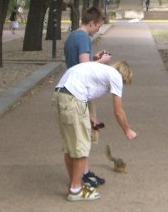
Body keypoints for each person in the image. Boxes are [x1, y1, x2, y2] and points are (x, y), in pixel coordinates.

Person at [52, 61, 137, 201]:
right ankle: (75, 191)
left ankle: (75, 184)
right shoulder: (116, 76)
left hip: (60, 95)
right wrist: (127, 130)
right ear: (124, 76)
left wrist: (89, 116)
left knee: (70, 147)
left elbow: (82, 91)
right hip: (73, 99)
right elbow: (118, 112)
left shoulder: (99, 69)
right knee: (82, 148)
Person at [63, 7, 111, 188]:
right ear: (91, 23)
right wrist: (101, 62)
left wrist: (95, 58)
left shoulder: (73, 35)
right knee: (85, 133)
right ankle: (83, 175)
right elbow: (85, 67)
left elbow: (80, 62)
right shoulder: (83, 38)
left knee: (80, 133)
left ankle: (85, 172)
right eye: (98, 26)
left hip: (72, 88)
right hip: (80, 90)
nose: (98, 29)